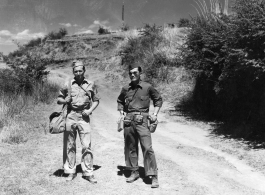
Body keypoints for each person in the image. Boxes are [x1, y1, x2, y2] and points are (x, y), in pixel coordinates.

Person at [117, 63, 163, 188]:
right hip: (128, 120)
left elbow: (158, 99)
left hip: (142, 120)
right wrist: (121, 112)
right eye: (130, 73)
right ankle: (134, 171)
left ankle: (153, 176)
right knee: (130, 147)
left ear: (140, 73)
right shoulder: (126, 88)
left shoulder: (147, 87)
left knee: (147, 147)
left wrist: (155, 113)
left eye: (135, 73)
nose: (132, 75)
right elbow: (120, 101)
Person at [57, 60, 100, 183]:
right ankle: (71, 171)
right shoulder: (67, 84)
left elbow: (96, 100)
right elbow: (58, 99)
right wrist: (65, 100)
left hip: (84, 117)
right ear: (73, 72)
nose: (78, 73)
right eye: (76, 71)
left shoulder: (91, 84)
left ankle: (88, 172)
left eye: (80, 71)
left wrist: (90, 109)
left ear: (84, 71)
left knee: (86, 145)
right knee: (70, 145)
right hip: (70, 116)